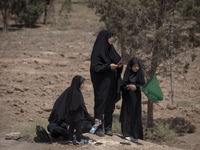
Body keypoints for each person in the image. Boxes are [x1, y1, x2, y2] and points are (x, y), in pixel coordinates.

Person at [90, 30, 123, 136]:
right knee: (100, 106)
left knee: (110, 105)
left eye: (112, 37)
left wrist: (119, 65)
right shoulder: (98, 51)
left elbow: (117, 62)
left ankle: (108, 128)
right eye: (110, 37)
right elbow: (95, 67)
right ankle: (97, 128)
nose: (111, 39)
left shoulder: (111, 50)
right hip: (101, 84)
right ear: (104, 38)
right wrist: (108, 66)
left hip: (111, 83)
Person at [47, 75, 99, 144]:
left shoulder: (79, 95)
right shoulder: (67, 96)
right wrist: (66, 126)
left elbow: (84, 112)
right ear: (78, 83)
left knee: (88, 125)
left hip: (76, 122)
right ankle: (72, 136)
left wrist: (93, 120)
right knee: (52, 127)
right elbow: (58, 117)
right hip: (64, 125)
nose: (83, 85)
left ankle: (72, 136)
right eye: (82, 83)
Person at [119, 58, 145, 143]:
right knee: (127, 114)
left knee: (136, 115)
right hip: (128, 99)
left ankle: (135, 135)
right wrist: (129, 86)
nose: (136, 68)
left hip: (136, 98)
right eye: (134, 66)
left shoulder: (140, 74)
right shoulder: (127, 74)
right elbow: (123, 86)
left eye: (138, 66)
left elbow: (142, 84)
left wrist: (140, 87)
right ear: (131, 67)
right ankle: (127, 134)